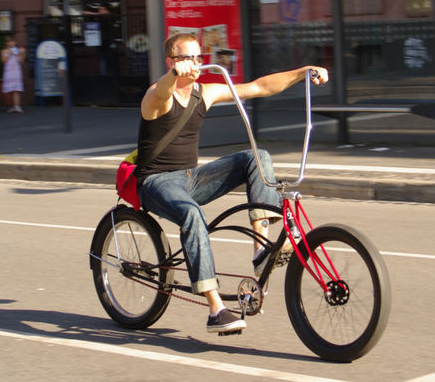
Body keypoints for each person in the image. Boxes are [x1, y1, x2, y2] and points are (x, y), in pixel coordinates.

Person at [135, 32, 329, 334]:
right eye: (187, 58)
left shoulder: (205, 93)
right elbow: (161, 92)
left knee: (257, 156)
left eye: (198, 57)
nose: (196, 64)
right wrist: (173, 75)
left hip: (192, 178)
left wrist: (303, 72)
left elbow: (258, 87)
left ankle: (260, 251)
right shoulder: (155, 97)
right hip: (157, 182)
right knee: (192, 214)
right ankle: (215, 309)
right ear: (172, 61)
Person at [0, 37, 26, 112]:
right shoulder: (3, 51)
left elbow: (21, 61)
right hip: (8, 71)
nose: (13, 43)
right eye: (11, 41)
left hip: (16, 70)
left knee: (16, 90)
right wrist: (9, 54)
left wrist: (22, 54)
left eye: (14, 41)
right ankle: (14, 106)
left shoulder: (17, 50)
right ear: (7, 43)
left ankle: (17, 106)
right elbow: (3, 61)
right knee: (11, 90)